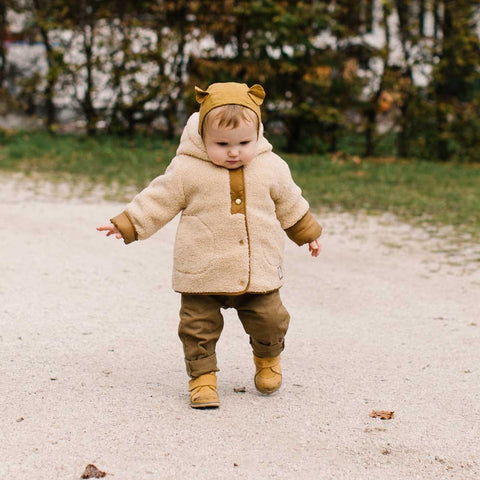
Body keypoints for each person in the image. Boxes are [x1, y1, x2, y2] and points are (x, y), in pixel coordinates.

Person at [97, 82, 322, 409]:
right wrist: (128, 223)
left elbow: (290, 202)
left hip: (255, 270)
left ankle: (268, 358)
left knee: (271, 318)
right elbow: (158, 199)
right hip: (202, 271)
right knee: (197, 328)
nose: (234, 151)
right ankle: (202, 379)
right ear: (202, 137)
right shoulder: (187, 169)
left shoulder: (271, 167)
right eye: (222, 144)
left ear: (257, 133)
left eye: (244, 142)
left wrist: (307, 232)